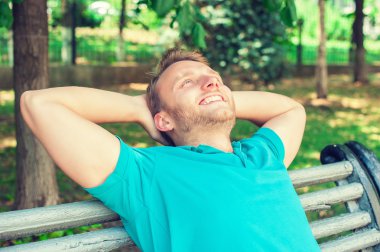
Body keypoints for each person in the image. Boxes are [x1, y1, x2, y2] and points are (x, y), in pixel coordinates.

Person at [21, 48, 320, 251]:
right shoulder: (145, 174)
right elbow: (38, 104)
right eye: (186, 82)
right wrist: (138, 108)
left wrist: (216, 96)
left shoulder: (262, 155)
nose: (210, 82)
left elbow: (292, 109)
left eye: (214, 78)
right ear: (162, 120)